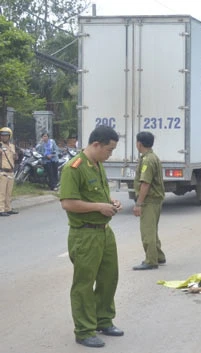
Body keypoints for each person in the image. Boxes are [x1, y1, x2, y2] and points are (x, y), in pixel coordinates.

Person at [59, 125, 124, 348]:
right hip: (85, 234)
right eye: (109, 149)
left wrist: (111, 202)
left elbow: (99, 194)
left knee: (109, 278)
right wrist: (99, 206)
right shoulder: (74, 168)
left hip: (104, 232)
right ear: (96, 144)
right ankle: (84, 330)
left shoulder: (97, 164)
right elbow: (67, 203)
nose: (110, 154)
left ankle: (103, 319)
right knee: (84, 284)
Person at [132, 131, 166, 270]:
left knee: (147, 231)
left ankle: (151, 260)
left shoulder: (147, 160)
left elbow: (145, 183)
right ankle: (158, 255)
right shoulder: (152, 157)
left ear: (139, 144)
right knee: (153, 229)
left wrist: (139, 203)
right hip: (155, 199)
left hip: (150, 200)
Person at [0, 127, 18, 216]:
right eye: (2, 136)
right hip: (2, 171)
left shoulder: (12, 146)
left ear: (9, 136)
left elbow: (15, 158)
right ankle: (1, 209)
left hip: (11, 171)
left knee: (9, 192)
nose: (4, 137)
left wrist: (15, 155)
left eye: (6, 136)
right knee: (2, 192)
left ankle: (8, 208)